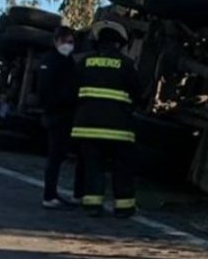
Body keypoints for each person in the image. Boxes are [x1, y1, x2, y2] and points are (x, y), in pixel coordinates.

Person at [71, 21, 142, 219]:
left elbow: (71, 91)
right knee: (122, 169)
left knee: (93, 167)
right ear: (119, 44)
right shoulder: (126, 65)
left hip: (87, 127)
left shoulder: (84, 62)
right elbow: (138, 93)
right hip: (118, 130)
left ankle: (92, 206)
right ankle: (124, 208)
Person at [38, 26, 84, 210]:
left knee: (73, 155)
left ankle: (76, 194)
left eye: (71, 42)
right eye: (65, 41)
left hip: (70, 115)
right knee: (55, 157)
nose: (67, 45)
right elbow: (46, 91)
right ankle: (49, 195)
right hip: (57, 115)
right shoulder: (49, 61)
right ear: (56, 41)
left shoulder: (69, 62)